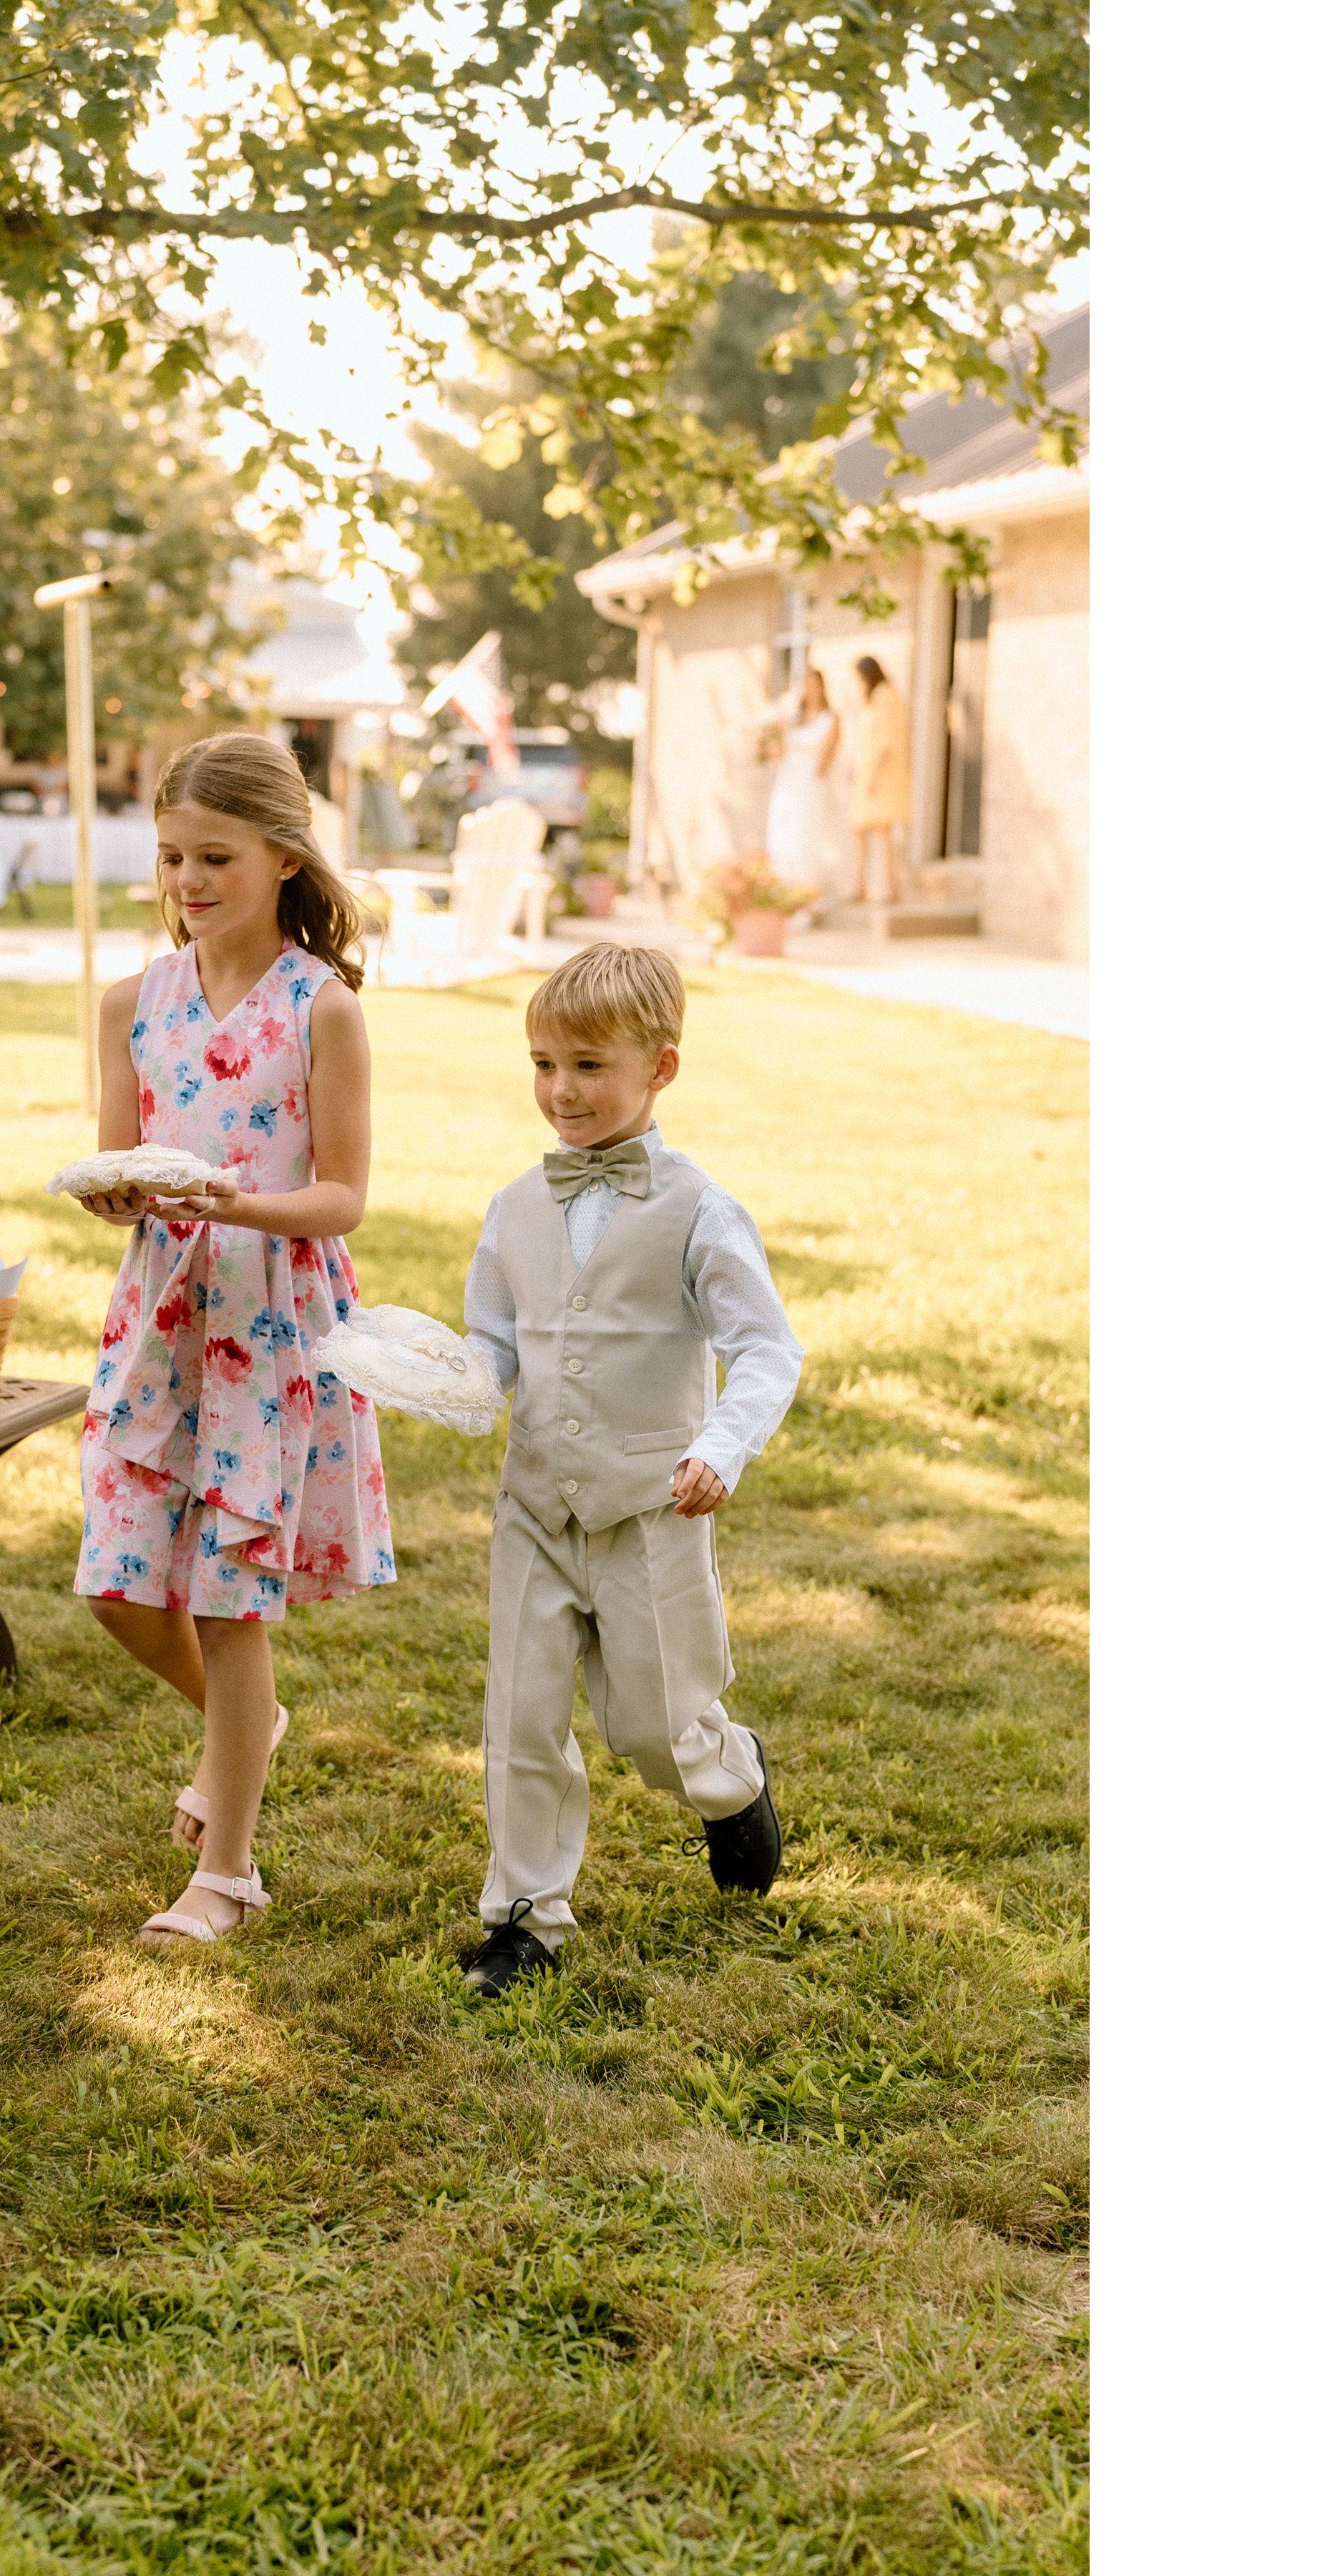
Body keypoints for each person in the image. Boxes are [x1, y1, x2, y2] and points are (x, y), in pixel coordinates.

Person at [72, 733, 395, 1948]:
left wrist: (232, 1204)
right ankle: (245, 1730)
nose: (188, 881)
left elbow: (343, 1197)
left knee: (227, 1598)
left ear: (282, 857)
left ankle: (230, 1876)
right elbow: (126, 1159)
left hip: (269, 1322)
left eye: (215, 856)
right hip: (160, 1315)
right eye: (170, 858)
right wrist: (122, 1195)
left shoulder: (326, 1008)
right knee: (117, 1580)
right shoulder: (130, 1005)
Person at [454, 943, 804, 1996]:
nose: (562, 1092)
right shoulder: (515, 1207)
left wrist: (719, 1447)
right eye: (544, 1064)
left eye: (590, 1067)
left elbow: (765, 1350)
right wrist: (438, 1376)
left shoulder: (701, 1211)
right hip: (536, 1507)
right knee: (519, 1717)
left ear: (662, 1068)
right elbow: (494, 1346)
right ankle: (525, 1917)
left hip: (654, 1504)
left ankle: (728, 1778)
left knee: (654, 1723)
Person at [765, 665, 842, 899]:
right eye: (807, 685)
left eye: (815, 685)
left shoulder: (831, 718)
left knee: (806, 834)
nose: (811, 690)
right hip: (788, 781)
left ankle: (809, 894)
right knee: (782, 833)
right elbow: (780, 750)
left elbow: (828, 754)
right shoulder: (794, 718)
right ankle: (784, 891)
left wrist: (811, 779)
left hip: (811, 783)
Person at [847, 653, 911, 904]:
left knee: (883, 832)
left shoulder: (885, 698)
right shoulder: (873, 700)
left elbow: (887, 742)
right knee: (861, 831)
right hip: (868, 773)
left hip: (880, 775)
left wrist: (872, 775)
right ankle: (861, 886)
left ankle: (891, 888)